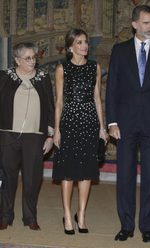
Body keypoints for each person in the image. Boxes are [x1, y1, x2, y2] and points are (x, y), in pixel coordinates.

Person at [106, 5, 150, 243]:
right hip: (124, 125)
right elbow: (112, 88)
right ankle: (126, 226)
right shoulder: (119, 50)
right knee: (124, 176)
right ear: (134, 24)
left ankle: (147, 227)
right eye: (146, 23)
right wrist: (111, 121)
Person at [52, 28, 108, 235]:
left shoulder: (95, 67)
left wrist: (102, 128)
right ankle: (67, 215)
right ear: (70, 47)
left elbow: (97, 99)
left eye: (85, 42)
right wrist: (56, 130)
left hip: (89, 123)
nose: (85, 46)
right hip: (68, 123)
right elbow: (59, 102)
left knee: (86, 172)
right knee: (67, 171)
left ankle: (81, 214)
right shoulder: (62, 68)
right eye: (80, 42)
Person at [0, 42, 54, 230]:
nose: (32, 61)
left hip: (35, 135)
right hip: (8, 134)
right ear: (17, 59)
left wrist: (50, 135)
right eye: (28, 58)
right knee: (8, 177)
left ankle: (30, 217)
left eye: (34, 57)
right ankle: (5, 216)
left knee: (32, 178)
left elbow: (50, 106)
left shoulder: (43, 77)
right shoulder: (5, 76)